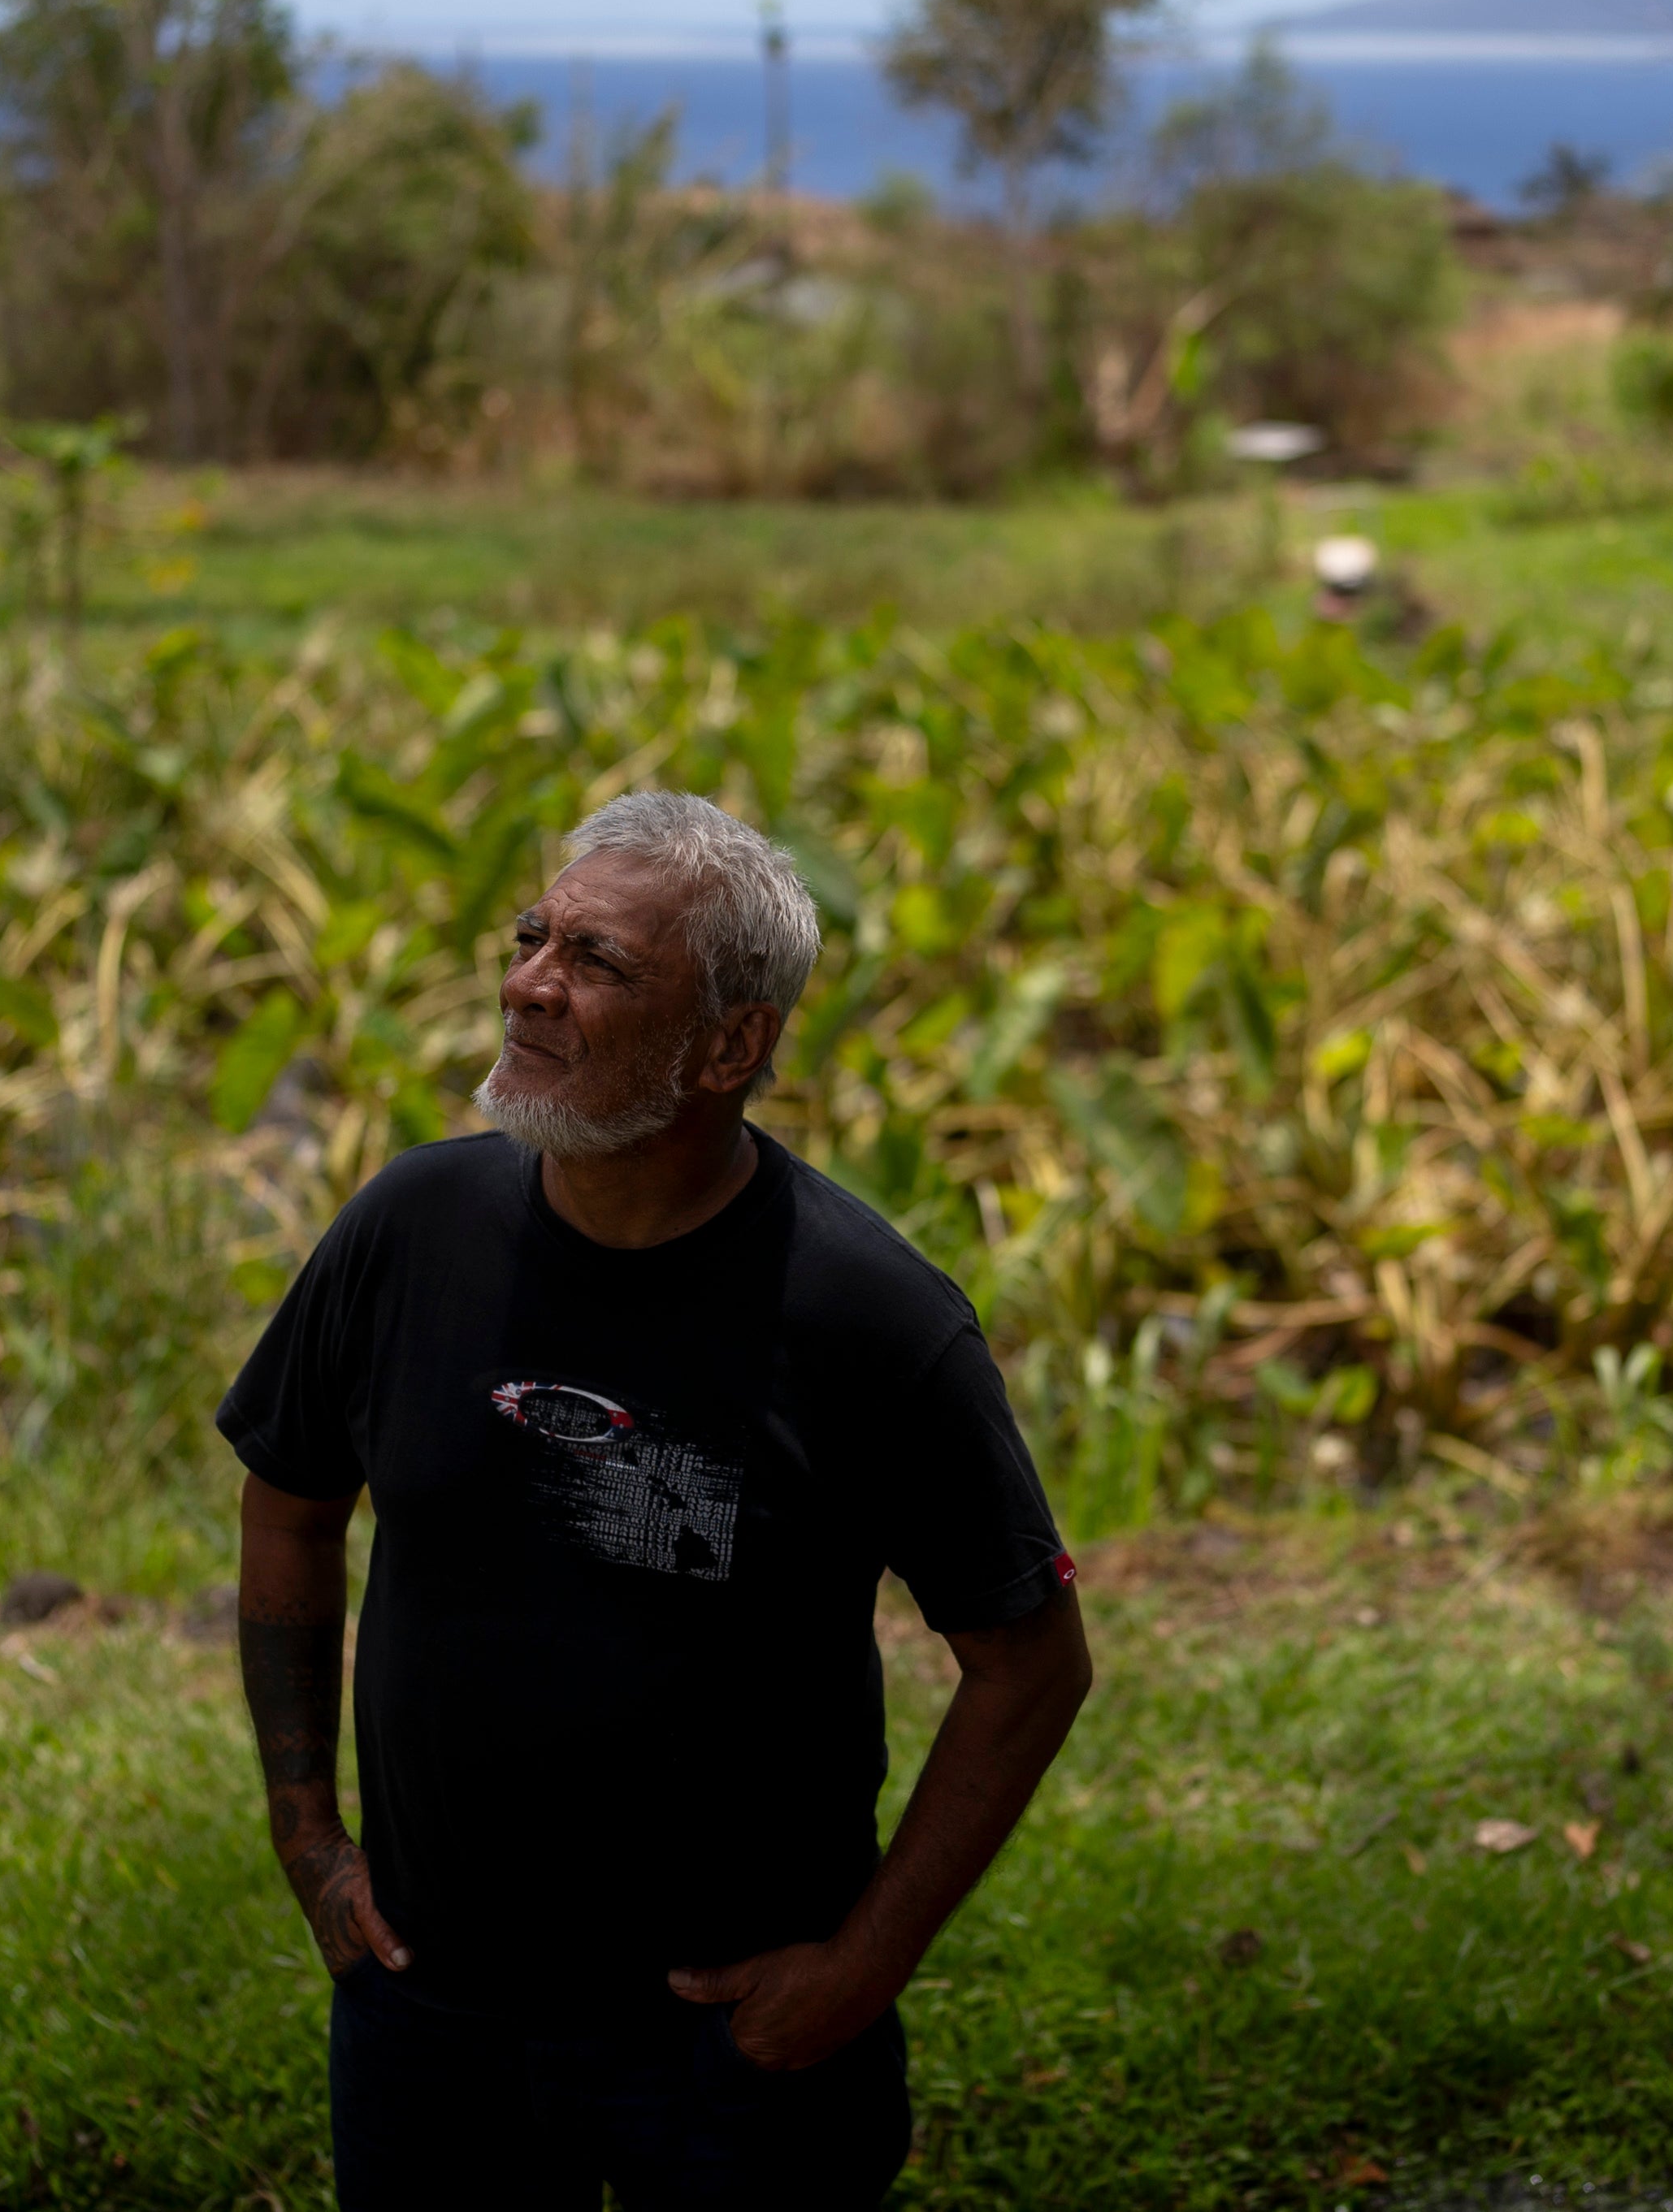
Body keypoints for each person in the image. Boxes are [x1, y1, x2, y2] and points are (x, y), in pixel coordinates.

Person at [223, 790, 1094, 2210]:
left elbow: (1032, 1662)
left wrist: (862, 1969)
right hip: (427, 2010)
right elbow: (290, 1502)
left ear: (731, 1044)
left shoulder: (872, 1319)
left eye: (599, 962)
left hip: (731, 2045)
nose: (527, 984)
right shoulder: (410, 1230)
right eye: (531, 938)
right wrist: (306, 1832)